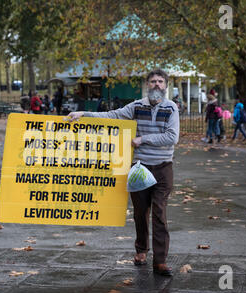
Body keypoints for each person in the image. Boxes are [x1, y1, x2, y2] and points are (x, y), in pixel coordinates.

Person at [67, 69, 179, 276]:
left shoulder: (171, 108)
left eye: (160, 81)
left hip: (163, 168)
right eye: (153, 81)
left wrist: (143, 139)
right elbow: (113, 116)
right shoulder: (136, 106)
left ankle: (160, 261)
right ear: (147, 85)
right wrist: (84, 114)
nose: (156, 85)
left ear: (166, 85)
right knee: (139, 212)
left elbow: (172, 137)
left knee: (159, 213)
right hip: (139, 168)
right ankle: (141, 250)